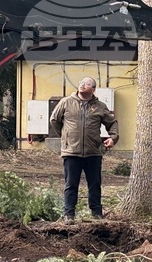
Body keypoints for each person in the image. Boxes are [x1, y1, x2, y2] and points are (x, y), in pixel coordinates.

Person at [49, 77, 119, 221]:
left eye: (87, 84)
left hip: (93, 152)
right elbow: (54, 120)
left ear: (93, 89)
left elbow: (112, 123)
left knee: (94, 184)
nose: (82, 85)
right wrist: (65, 136)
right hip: (71, 152)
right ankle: (69, 214)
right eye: (81, 83)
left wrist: (113, 137)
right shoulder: (66, 102)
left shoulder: (100, 106)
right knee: (70, 184)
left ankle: (96, 214)